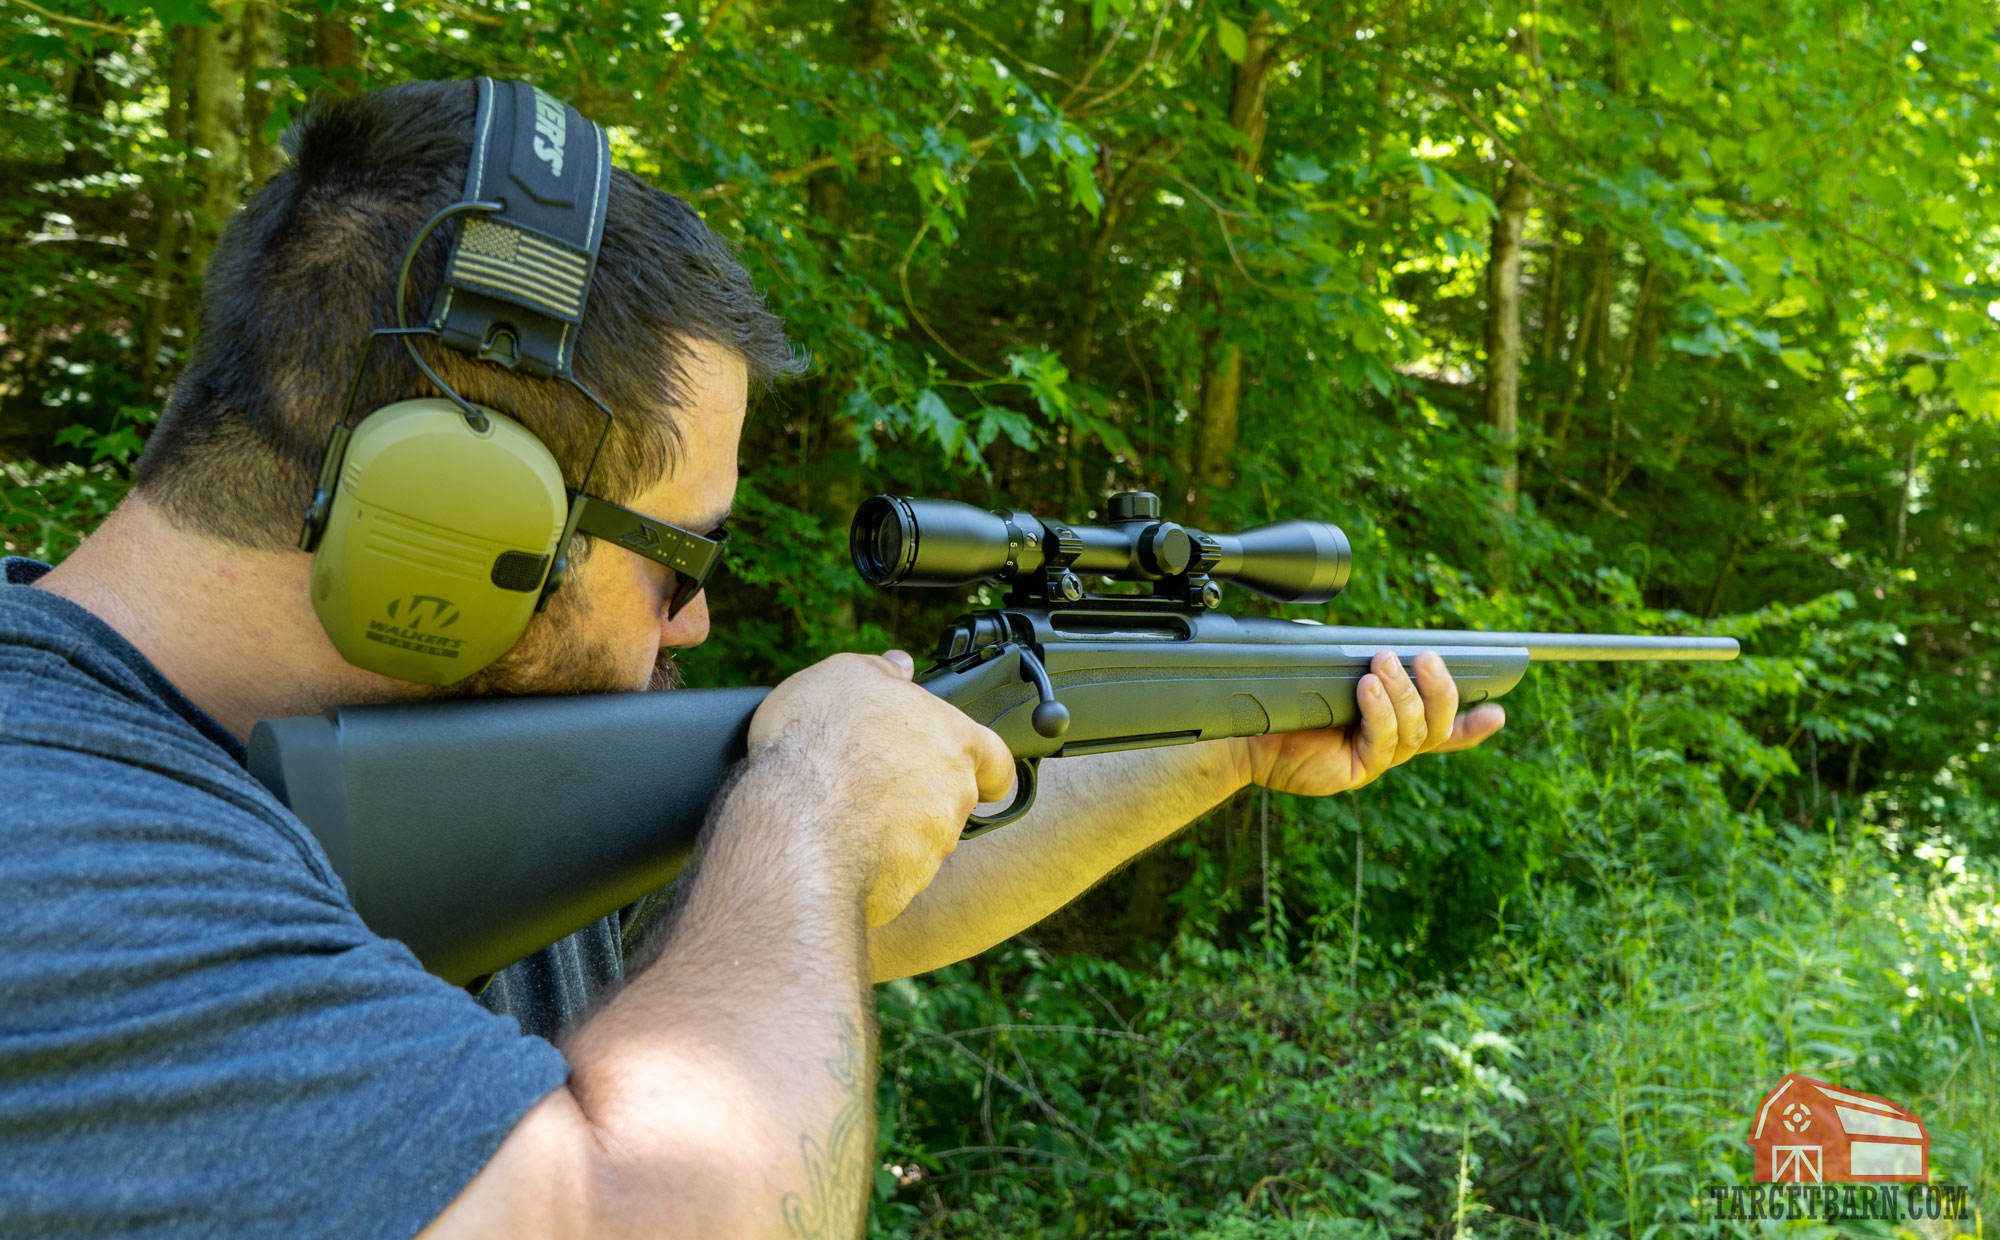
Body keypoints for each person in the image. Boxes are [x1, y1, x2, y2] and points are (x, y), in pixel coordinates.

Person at [0, 81, 1505, 1238]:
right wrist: (805, 810)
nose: (696, 622)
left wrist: (1230, 733)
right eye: (682, 560)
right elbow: (672, 1206)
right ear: (448, 522)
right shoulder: (55, 856)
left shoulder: (409, 734)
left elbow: (814, 935)